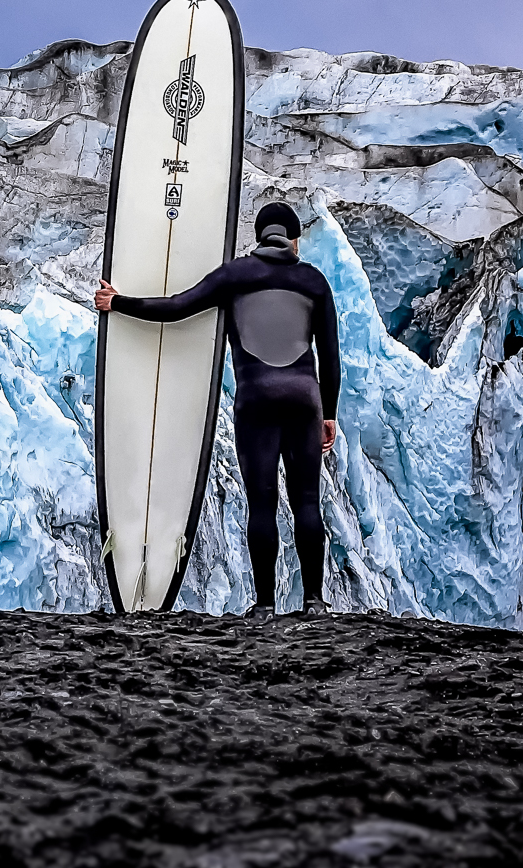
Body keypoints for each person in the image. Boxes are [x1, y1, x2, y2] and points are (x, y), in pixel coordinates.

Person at [94, 201, 340, 621]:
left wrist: (119, 303)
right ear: (293, 239)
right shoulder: (313, 281)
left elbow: (176, 307)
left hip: (257, 399)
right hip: (305, 400)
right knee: (306, 502)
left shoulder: (235, 275)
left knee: (262, 504)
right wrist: (329, 414)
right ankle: (314, 602)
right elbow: (330, 356)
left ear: (261, 236)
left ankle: (264, 606)